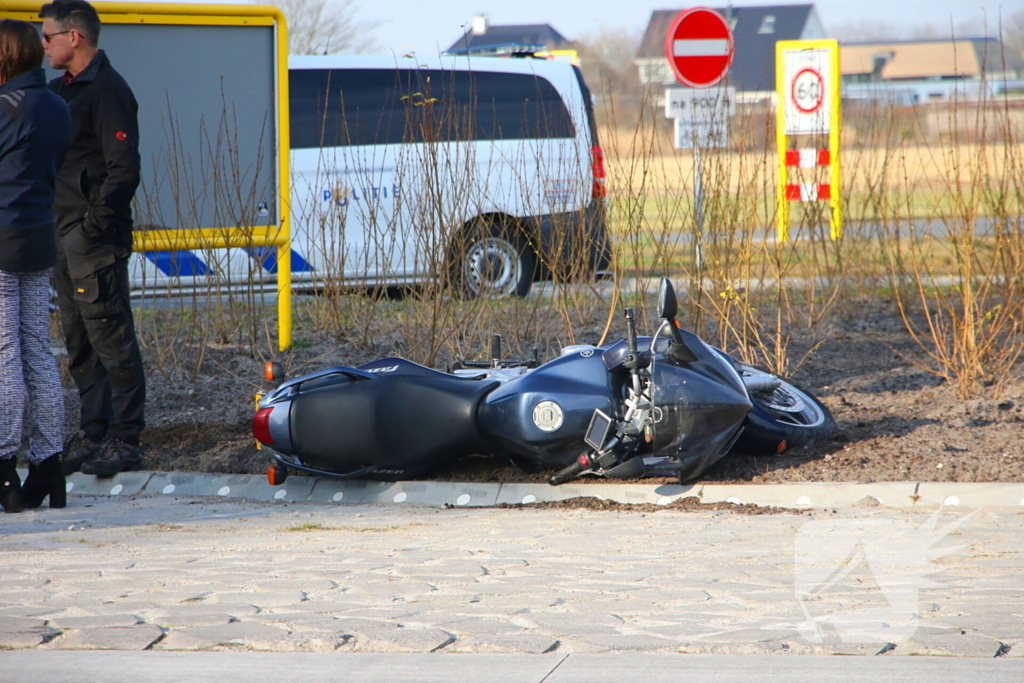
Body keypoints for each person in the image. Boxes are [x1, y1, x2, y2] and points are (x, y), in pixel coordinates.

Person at [41, 0, 146, 478]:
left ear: (74, 37)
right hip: (60, 235)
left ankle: (126, 440)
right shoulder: (58, 92)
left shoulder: (107, 90)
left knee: (112, 338)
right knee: (79, 340)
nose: (44, 46)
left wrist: (90, 230)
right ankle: (93, 430)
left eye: (48, 37)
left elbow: (123, 172)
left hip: (92, 241)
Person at [0, 19, 72, 511]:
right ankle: (49, 467)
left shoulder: (4, 107)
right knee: (38, 352)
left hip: (1, 239)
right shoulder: (56, 105)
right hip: (39, 237)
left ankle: (4, 466)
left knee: (4, 353)